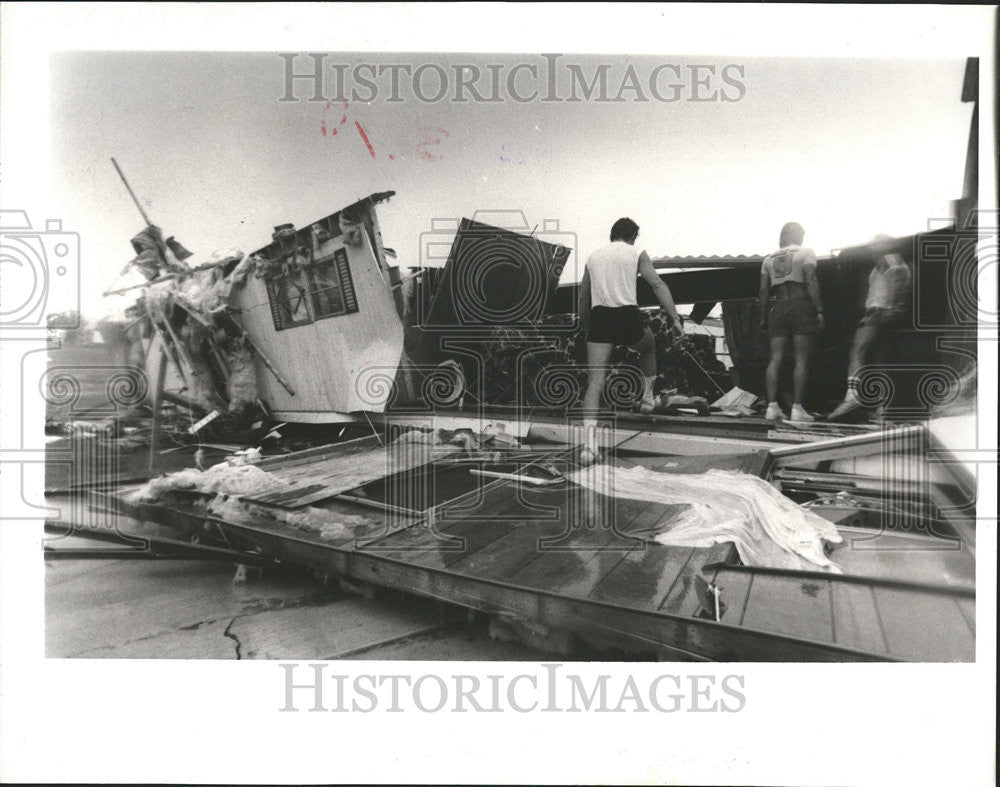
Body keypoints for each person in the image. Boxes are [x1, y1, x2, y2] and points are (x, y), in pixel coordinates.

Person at [578, 217, 683, 464]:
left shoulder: (593, 257)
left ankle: (588, 448)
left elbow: (583, 295)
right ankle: (647, 400)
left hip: (600, 316)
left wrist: (586, 326)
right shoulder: (636, 252)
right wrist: (675, 318)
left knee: (595, 381)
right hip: (626, 315)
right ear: (633, 236)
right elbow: (656, 284)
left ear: (612, 235)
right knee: (649, 347)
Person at [828, 236, 912, 421]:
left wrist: (890, 306)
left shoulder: (889, 259)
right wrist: (895, 308)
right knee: (881, 359)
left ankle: (852, 396)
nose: (871, 247)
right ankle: (882, 408)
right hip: (887, 312)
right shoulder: (894, 259)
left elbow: (896, 275)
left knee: (857, 351)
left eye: (876, 243)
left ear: (887, 244)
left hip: (878, 310)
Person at [758, 222, 824, 422]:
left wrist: (763, 317)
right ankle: (797, 408)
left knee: (775, 359)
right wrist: (820, 309)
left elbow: (763, 291)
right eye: (802, 233)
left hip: (778, 308)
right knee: (801, 358)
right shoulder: (806, 253)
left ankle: (771, 407)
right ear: (796, 234)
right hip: (800, 305)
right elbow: (811, 280)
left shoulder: (769, 259)